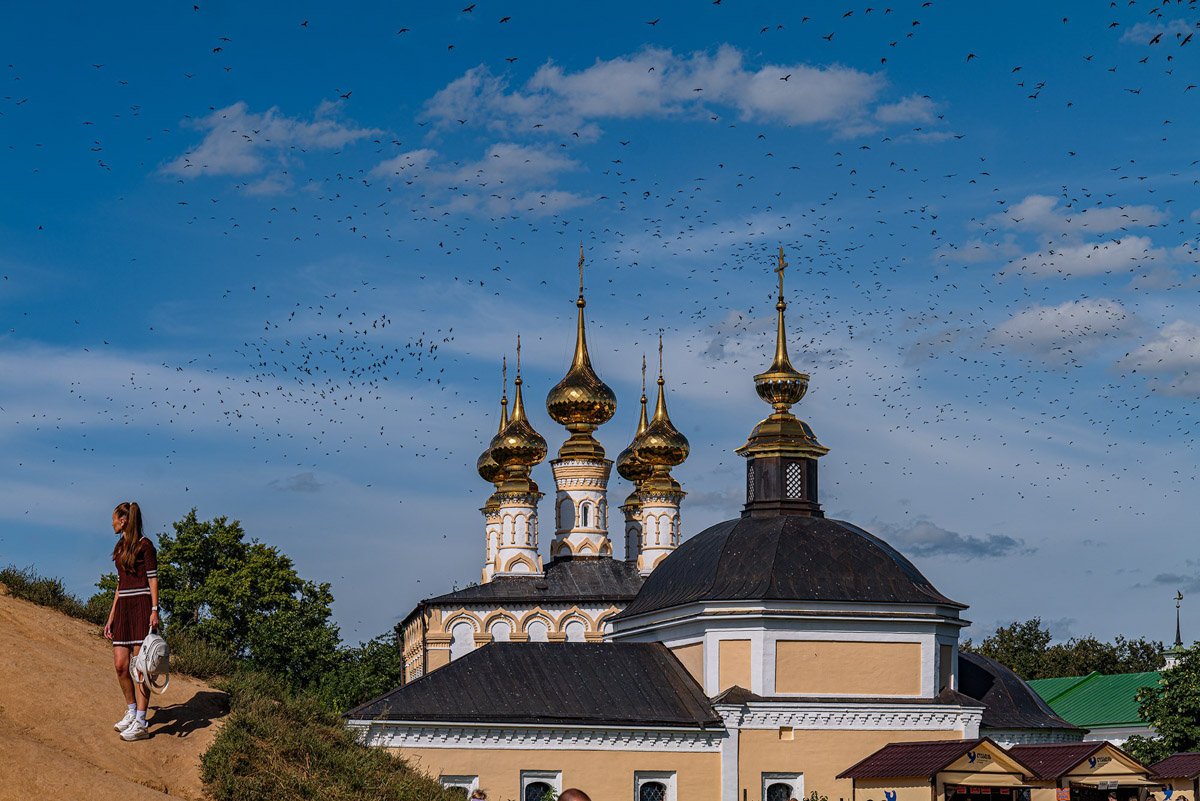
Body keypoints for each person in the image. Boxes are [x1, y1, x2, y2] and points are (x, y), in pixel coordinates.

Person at [103, 502, 159, 742]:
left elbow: (153, 580)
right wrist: (112, 615)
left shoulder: (145, 546)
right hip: (124, 607)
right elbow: (119, 584)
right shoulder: (120, 546)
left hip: (142, 606)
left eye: (114, 519)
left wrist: (155, 610)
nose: (112, 523)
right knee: (120, 665)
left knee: (140, 668)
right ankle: (132, 711)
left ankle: (142, 722)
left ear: (123, 521)